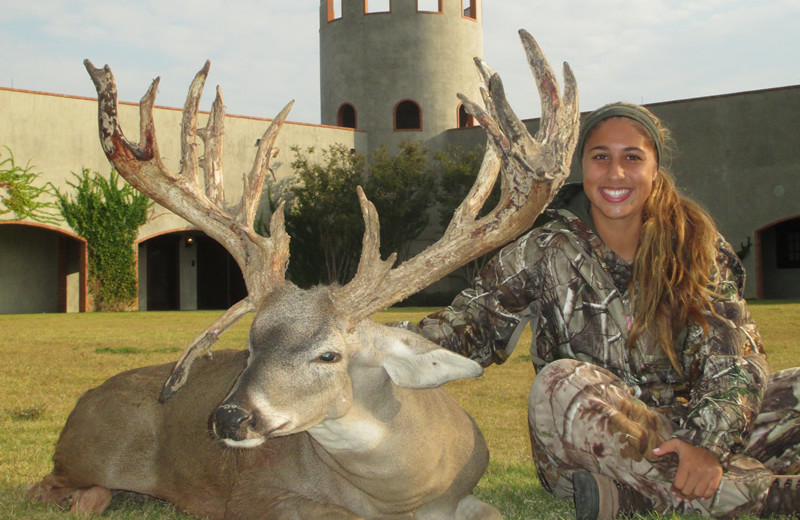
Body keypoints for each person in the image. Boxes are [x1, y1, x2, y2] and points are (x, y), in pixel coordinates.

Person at [403, 102, 800, 518]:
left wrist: (707, 444)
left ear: (654, 169)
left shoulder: (696, 243)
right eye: (600, 157)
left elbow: (733, 358)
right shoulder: (543, 250)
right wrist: (368, 340)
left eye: (632, 157)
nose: (616, 173)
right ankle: (768, 495)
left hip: (684, 427)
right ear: (584, 167)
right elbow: (468, 327)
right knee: (559, 382)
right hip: (589, 438)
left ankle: (629, 497)